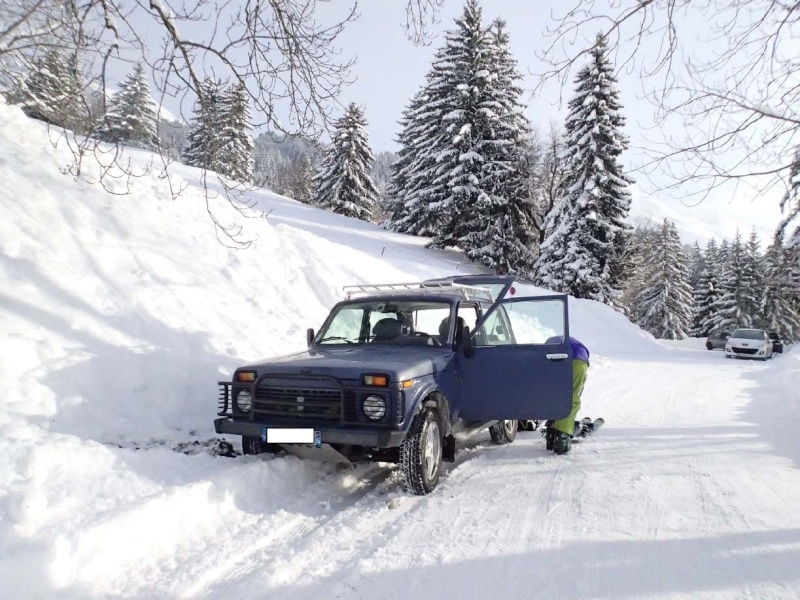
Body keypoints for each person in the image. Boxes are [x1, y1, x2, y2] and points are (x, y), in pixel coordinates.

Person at [546, 336, 590, 455]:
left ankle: (551, 431)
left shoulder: (549, 342)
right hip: (578, 361)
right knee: (571, 398)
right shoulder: (580, 348)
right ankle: (562, 438)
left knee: (555, 395)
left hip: (551, 359)